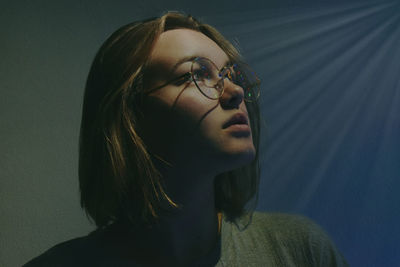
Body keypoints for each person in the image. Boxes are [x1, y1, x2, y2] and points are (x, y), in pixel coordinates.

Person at [23, 11, 348, 267]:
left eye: (232, 75)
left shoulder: (300, 250)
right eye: (196, 74)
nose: (236, 93)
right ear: (129, 115)